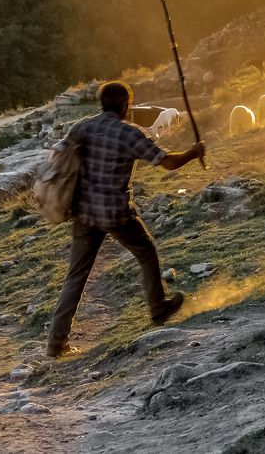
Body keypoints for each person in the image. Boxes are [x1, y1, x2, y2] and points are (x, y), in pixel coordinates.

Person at [46, 81, 205, 359]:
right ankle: (158, 307)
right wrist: (193, 153)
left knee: (76, 276)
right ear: (125, 105)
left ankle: (56, 342)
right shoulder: (129, 133)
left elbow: (57, 154)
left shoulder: (81, 127)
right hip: (115, 213)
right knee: (146, 251)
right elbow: (166, 162)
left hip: (83, 212)